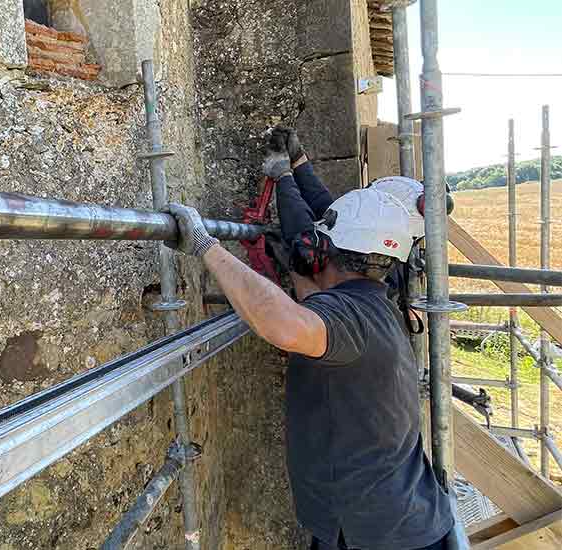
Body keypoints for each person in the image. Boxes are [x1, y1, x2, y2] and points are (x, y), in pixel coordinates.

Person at [164, 128, 454, 549]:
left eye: (320, 243)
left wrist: (205, 245)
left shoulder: (351, 316)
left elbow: (287, 325)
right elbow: (317, 295)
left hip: (378, 535)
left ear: (331, 251)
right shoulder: (373, 302)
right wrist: (295, 171)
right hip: (389, 522)